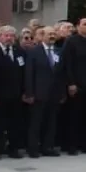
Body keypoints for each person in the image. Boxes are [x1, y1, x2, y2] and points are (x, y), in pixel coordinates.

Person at [60, 16, 86, 155]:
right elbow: (67, 63)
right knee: (74, 115)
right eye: (84, 24)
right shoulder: (71, 41)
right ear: (78, 26)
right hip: (77, 83)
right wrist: (71, 83)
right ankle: (72, 144)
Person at [0, 25, 27, 160]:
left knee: (15, 123)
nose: (9, 38)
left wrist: (24, 91)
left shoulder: (19, 52)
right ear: (0, 37)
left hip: (16, 94)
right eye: (6, 35)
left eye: (11, 36)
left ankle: (13, 148)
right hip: (0, 95)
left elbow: (23, 73)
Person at [24, 26, 64, 158]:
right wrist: (29, 93)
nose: (52, 36)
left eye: (53, 34)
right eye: (49, 34)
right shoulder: (34, 52)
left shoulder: (58, 51)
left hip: (54, 93)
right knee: (36, 123)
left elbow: (61, 74)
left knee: (51, 122)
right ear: (42, 36)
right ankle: (33, 148)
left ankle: (48, 147)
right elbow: (29, 74)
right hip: (38, 93)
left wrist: (62, 93)